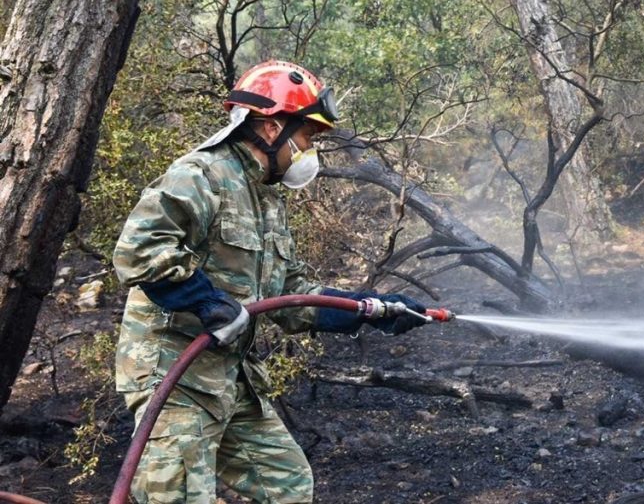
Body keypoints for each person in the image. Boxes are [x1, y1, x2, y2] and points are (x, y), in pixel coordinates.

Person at [112, 60, 426, 503]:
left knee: (288, 486)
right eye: (306, 136)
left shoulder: (266, 198)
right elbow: (137, 251)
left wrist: (368, 309)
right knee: (178, 497)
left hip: (232, 380)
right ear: (272, 126)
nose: (308, 150)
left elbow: (290, 294)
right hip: (175, 377)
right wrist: (206, 302)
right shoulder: (202, 175)